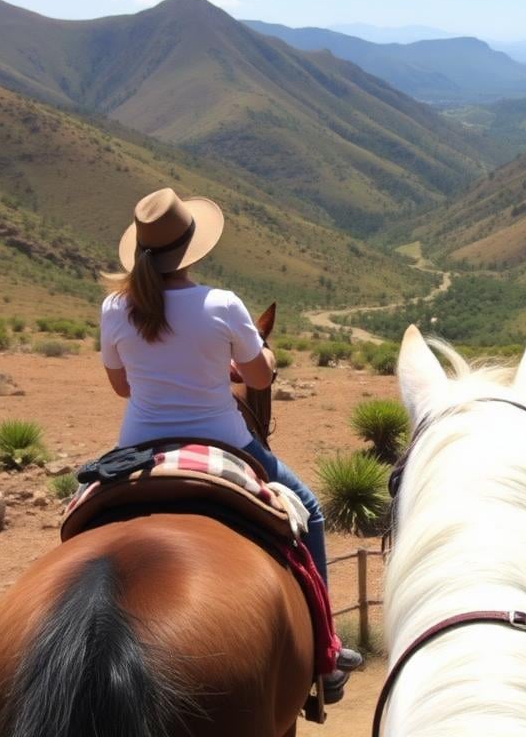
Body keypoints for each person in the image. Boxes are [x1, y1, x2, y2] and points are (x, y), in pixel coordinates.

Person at [99, 188, 362, 697]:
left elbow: (122, 386)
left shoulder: (115, 307)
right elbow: (259, 380)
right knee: (308, 508)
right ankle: (326, 654)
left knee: (81, 514)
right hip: (227, 442)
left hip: (136, 449)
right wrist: (243, 361)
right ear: (192, 246)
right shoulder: (221, 303)